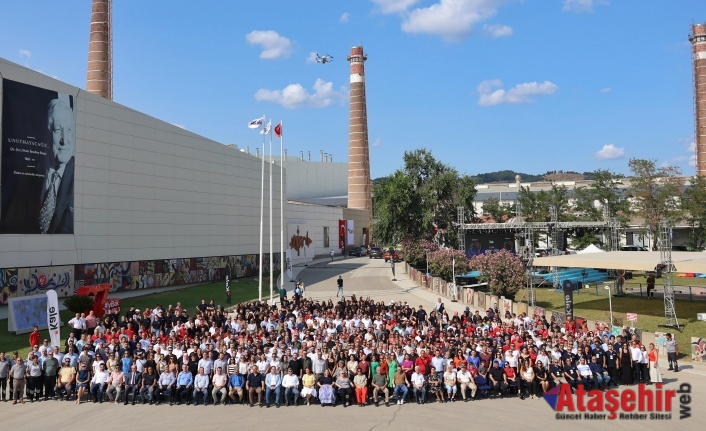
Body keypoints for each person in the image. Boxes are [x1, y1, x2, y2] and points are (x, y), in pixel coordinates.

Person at [40, 98, 75, 234]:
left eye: (69, 130)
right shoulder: (31, 175)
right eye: (58, 130)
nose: (64, 140)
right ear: (46, 133)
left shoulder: (81, 175)